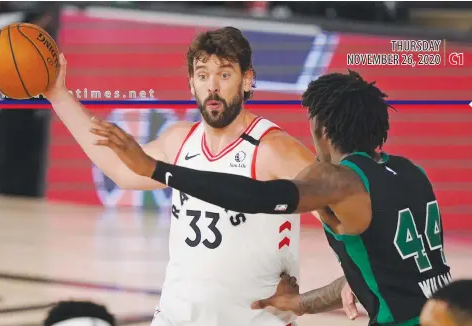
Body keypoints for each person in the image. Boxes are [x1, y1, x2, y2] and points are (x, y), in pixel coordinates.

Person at [92, 69, 452, 326]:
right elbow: (381, 270)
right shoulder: (410, 172)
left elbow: (257, 196)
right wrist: (301, 304)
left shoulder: (338, 180)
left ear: (322, 129)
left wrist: (158, 169)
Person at [44, 27, 331, 326]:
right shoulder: (179, 140)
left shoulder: (273, 148)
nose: (213, 87)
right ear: (191, 84)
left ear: (247, 80)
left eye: (224, 74)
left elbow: (339, 209)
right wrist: (58, 96)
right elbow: (120, 170)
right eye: (203, 75)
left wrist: (333, 291)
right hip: (176, 317)